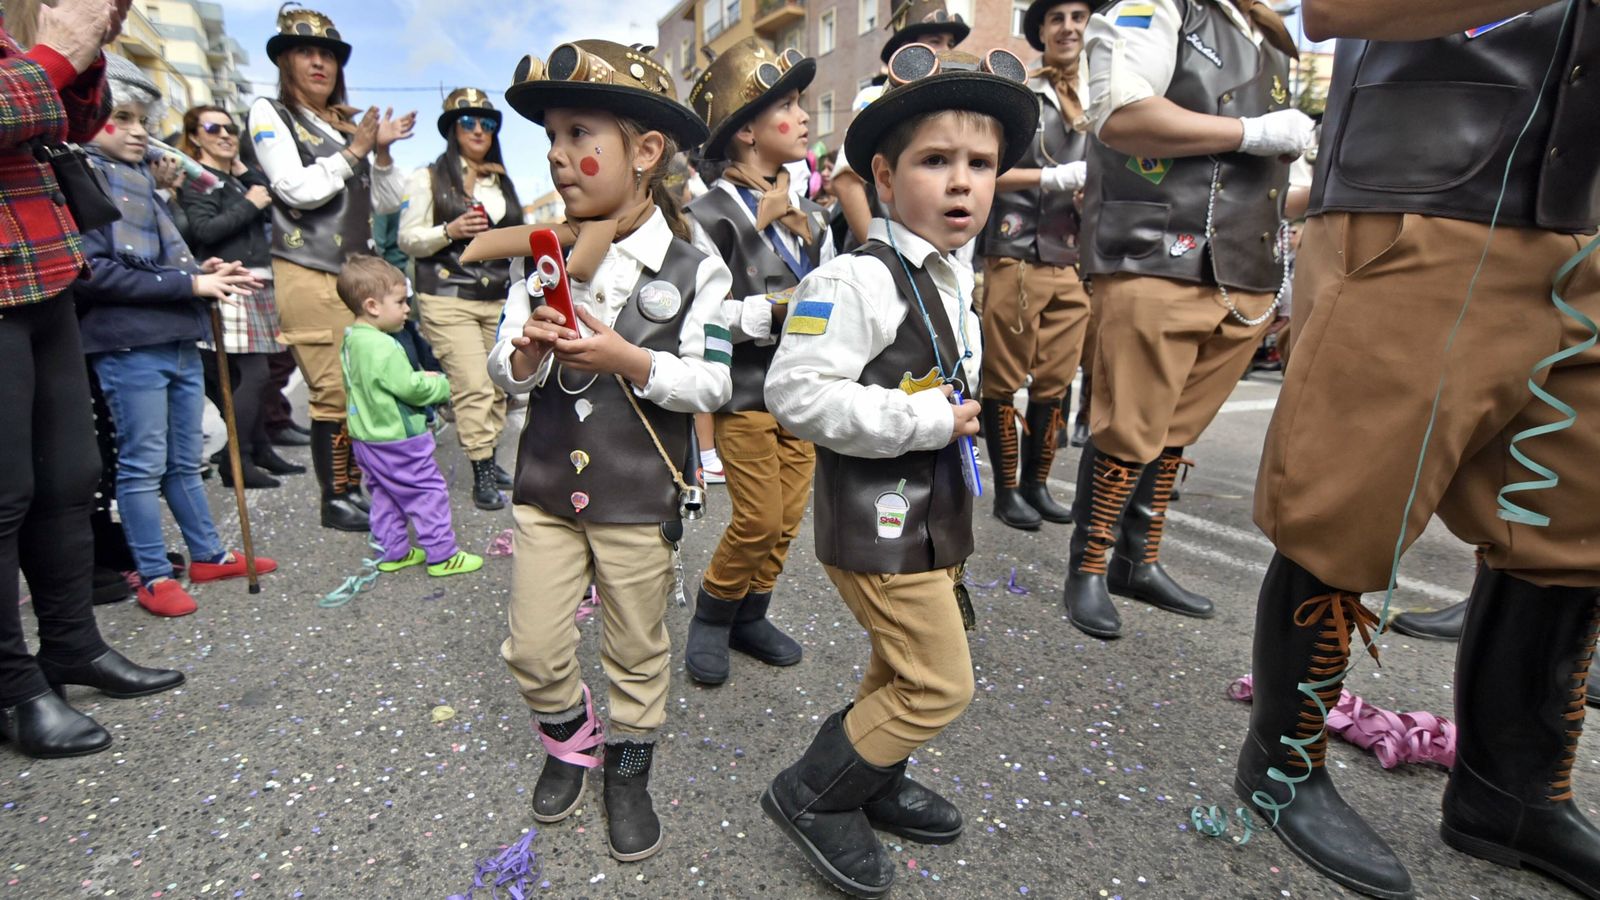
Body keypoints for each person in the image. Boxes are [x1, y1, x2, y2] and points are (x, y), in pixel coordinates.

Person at [1235, 3, 1600, 898]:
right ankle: (1282, 765)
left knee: (1576, 529)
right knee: (1345, 505)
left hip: (1587, 233)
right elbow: (1332, 9)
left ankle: (1508, 797)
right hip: (1422, 205)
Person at [761, 45, 1038, 898]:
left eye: (981, 164)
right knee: (938, 682)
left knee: (898, 665)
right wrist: (921, 418)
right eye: (936, 161)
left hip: (931, 515)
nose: (963, 184)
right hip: (876, 526)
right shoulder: (853, 279)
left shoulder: (953, 273)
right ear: (883, 177)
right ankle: (814, 795)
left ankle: (868, 776)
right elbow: (794, 394)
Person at [481, 40, 732, 863]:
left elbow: (713, 385)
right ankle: (569, 737)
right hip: (548, 487)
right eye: (549, 137)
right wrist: (524, 354)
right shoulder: (543, 252)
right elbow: (504, 373)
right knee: (533, 647)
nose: (557, 155)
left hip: (636, 494)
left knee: (635, 643)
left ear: (647, 151)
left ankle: (629, 763)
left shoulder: (699, 269)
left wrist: (632, 361)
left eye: (578, 133)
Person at [1063, 0, 1313, 639]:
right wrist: (1251, 134)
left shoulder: (1272, 36)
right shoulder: (1161, 8)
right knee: (1130, 426)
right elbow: (1121, 115)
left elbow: (1287, 184)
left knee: (1175, 430)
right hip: (1156, 254)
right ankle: (1089, 568)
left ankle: (1137, 560)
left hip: (1245, 269)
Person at [0, 0, 190, 760]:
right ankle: (14, 687)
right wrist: (53, 56)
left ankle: (71, 645)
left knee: (70, 477)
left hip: (43, 271)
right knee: (5, 491)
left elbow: (71, 124)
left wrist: (88, 49)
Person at [78, 54, 279, 617]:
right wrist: (190, 284)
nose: (139, 130)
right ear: (90, 116)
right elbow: (96, 270)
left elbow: (171, 259)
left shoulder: (141, 177)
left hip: (174, 334)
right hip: (127, 340)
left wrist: (206, 274)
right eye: (122, 117)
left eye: (143, 118)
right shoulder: (82, 174)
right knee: (142, 464)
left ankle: (208, 553)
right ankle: (151, 572)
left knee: (184, 459)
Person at [680, 37, 835, 686]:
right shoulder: (706, 214)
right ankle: (712, 617)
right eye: (789, 106)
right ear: (746, 131)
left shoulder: (810, 218)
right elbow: (701, 316)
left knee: (789, 520)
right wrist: (774, 310)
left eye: (802, 105)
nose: (803, 118)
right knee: (757, 517)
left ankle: (753, 615)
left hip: (798, 394)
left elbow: (822, 301)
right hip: (744, 395)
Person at [247, 4, 415, 532]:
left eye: (328, 55)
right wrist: (355, 150)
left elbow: (386, 203)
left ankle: (354, 488)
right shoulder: (270, 112)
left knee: (361, 386)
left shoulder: (342, 125)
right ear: (285, 60)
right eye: (306, 52)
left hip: (351, 272)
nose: (320, 63)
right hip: (308, 266)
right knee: (333, 391)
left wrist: (379, 154)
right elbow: (293, 188)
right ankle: (335, 496)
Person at [978, 0, 1094, 531]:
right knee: (1003, 378)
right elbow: (985, 170)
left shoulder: (1105, 95)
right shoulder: (1022, 94)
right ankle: (1007, 492)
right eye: (1056, 18)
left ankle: (1037, 485)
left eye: (1079, 16)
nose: (1069, 27)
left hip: (1070, 257)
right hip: (1015, 251)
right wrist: (1052, 179)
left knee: (1055, 380)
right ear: (1041, 31)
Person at [398, 87, 523, 510]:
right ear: (452, 130)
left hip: (498, 297)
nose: (478, 130)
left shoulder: (501, 181)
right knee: (473, 384)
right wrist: (449, 231)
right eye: (468, 122)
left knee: (501, 383)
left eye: (487, 123)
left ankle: (488, 453)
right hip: (447, 294)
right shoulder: (426, 177)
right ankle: (482, 469)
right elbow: (407, 239)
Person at [179, 104, 305, 489]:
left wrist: (242, 175)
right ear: (195, 136)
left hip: (257, 280)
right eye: (213, 127)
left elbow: (267, 198)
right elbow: (204, 230)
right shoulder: (199, 179)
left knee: (259, 374)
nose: (226, 134)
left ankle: (260, 448)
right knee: (252, 375)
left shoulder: (231, 177)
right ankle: (238, 461)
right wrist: (249, 202)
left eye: (231, 128)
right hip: (229, 282)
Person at [336, 255, 483, 577]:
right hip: (397, 437)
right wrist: (442, 385)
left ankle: (394, 551)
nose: (406, 309)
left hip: (366, 436)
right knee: (428, 493)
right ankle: (443, 556)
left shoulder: (352, 339)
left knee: (384, 494)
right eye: (401, 302)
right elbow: (410, 388)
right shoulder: (384, 346)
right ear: (373, 305)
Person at [831, 0, 970, 248]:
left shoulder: (963, 107)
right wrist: (882, 254)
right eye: (935, 41)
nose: (946, 50)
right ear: (908, 48)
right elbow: (845, 181)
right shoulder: (875, 98)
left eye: (950, 43)